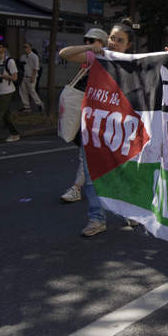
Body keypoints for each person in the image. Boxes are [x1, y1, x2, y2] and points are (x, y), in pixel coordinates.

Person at [60, 22, 139, 237]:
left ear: (129, 45)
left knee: (121, 173)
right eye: (112, 38)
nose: (114, 43)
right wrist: (89, 48)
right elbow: (65, 53)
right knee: (92, 174)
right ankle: (97, 219)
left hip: (118, 129)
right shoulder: (97, 57)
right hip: (93, 127)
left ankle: (129, 211)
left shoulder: (133, 64)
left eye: (119, 40)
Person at [59, 28, 109, 205]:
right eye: (86, 40)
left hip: (101, 113)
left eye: (92, 40)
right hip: (91, 111)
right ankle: (81, 187)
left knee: (90, 151)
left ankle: (79, 188)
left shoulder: (104, 58)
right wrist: (87, 48)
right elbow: (64, 53)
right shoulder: (92, 56)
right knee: (87, 150)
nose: (88, 43)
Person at [18, 42, 43, 113]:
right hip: (24, 76)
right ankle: (26, 106)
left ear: (30, 47)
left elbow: (36, 68)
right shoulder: (23, 56)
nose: (25, 48)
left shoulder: (34, 56)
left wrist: (33, 76)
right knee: (23, 91)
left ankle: (39, 104)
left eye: (26, 47)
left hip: (31, 76)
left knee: (32, 91)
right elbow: (21, 65)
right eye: (24, 47)